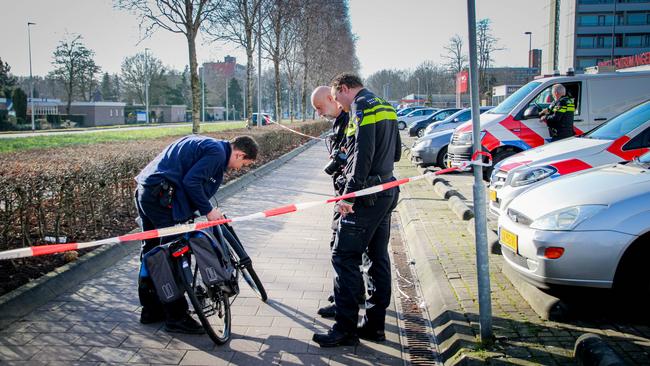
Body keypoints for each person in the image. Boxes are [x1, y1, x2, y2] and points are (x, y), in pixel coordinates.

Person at [134, 135, 258, 333]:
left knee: (151, 250)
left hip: (147, 190)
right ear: (239, 153)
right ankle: (176, 317)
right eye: (243, 163)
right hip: (161, 198)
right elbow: (192, 181)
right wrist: (208, 210)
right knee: (173, 254)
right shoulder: (217, 153)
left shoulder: (208, 144)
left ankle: (151, 309)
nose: (239, 168)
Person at [312, 73, 401, 347]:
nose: (338, 102)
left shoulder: (361, 106)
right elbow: (396, 152)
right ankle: (374, 326)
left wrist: (349, 196)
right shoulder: (384, 104)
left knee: (344, 256)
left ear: (345, 89)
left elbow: (362, 154)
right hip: (387, 189)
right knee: (376, 257)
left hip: (365, 196)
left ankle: (345, 330)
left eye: (337, 97)